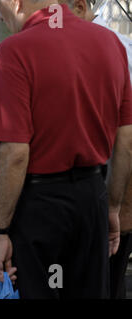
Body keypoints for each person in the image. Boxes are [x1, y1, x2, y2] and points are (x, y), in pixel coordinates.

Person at [0, 0, 132, 299]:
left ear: (14, 2)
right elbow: (125, 139)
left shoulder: (15, 51)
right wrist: (112, 207)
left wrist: (1, 231)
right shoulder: (110, 42)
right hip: (92, 197)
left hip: (40, 205)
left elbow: (15, 154)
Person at [59, 0, 132, 299]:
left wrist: (116, 207)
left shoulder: (116, 48)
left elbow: (126, 139)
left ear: (78, 6)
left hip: (104, 192)